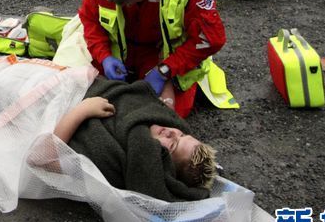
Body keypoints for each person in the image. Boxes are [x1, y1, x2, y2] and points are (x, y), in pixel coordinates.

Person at [78, 0, 227, 118]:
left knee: (166, 116)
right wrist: (103, 56)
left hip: (163, 51)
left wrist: (166, 69)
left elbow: (211, 39)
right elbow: (89, 19)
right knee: (80, 96)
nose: (126, 7)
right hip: (118, 46)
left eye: (130, 2)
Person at [53, 77, 217, 199]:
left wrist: (82, 110)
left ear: (160, 163)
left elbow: (43, 159)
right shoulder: (153, 116)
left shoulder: (112, 162)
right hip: (63, 78)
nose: (172, 132)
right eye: (182, 134)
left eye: (173, 145)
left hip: (43, 101)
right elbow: (166, 101)